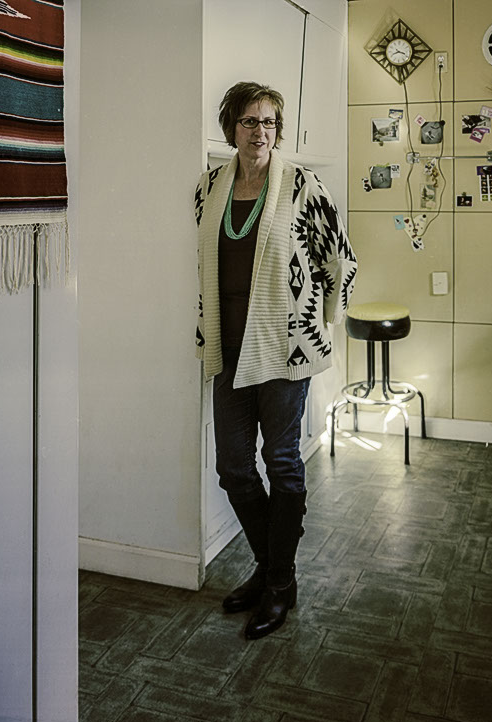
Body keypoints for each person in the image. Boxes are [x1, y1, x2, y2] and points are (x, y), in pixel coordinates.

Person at [194, 82, 357, 639]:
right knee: (234, 467)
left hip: (286, 348)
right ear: (231, 128)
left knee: (282, 460)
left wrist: (320, 320)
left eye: (269, 122)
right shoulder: (210, 187)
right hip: (228, 347)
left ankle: (279, 580)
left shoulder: (302, 185)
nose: (260, 132)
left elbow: (340, 258)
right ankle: (273, 573)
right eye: (249, 121)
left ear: (278, 130)